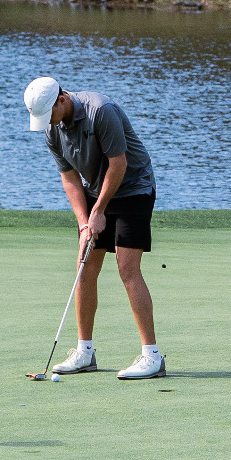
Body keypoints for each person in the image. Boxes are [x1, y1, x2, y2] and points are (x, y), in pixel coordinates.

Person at [23, 76, 165, 380]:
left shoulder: (101, 111)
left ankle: (152, 356)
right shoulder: (52, 130)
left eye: (49, 113)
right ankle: (84, 352)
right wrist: (85, 222)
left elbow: (119, 164)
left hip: (132, 189)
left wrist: (100, 210)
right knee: (84, 268)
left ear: (61, 99)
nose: (48, 122)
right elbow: (70, 177)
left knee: (127, 269)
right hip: (93, 190)